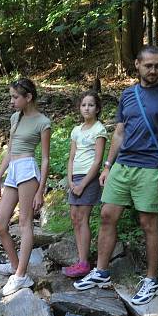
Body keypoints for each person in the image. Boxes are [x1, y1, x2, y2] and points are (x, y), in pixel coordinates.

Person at [73, 45, 158, 305]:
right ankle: (101, 272)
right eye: (149, 66)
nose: (154, 70)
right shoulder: (128, 94)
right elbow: (120, 132)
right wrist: (109, 165)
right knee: (107, 215)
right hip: (123, 165)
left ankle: (152, 280)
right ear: (137, 65)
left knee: (148, 223)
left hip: (151, 166)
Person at [0, 78, 52, 296]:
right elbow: (10, 150)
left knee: (26, 223)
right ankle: (15, 264)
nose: (12, 101)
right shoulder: (15, 118)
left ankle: (20, 276)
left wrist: (41, 190)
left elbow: (45, 159)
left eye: (15, 97)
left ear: (29, 97)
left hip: (28, 169)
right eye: (11, 96)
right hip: (14, 170)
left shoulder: (42, 122)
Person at [62, 91, 107, 278]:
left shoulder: (99, 129)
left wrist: (83, 184)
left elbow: (98, 161)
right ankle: (80, 260)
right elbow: (71, 158)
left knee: (82, 217)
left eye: (90, 105)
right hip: (75, 178)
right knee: (74, 217)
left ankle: (84, 262)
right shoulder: (76, 130)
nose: (86, 108)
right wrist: (70, 180)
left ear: (97, 109)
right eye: (83, 105)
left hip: (89, 178)